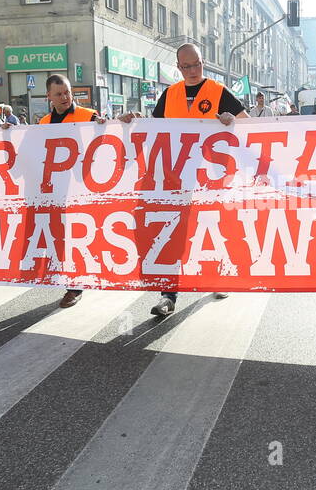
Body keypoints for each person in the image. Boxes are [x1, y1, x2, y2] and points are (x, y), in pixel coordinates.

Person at [120, 42, 247, 316]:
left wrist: (231, 120)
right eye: (186, 66)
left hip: (210, 179)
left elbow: (249, 126)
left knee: (211, 230)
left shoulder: (218, 91)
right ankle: (168, 295)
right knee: (172, 236)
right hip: (175, 180)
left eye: (197, 64)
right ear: (178, 67)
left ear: (203, 62)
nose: (192, 70)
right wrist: (131, 122)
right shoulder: (170, 94)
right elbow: (154, 130)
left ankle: (217, 278)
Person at [38, 74, 105, 308]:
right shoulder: (44, 123)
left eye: (67, 92)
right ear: (49, 96)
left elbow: (107, 138)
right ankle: (68, 278)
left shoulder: (89, 116)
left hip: (81, 188)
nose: (65, 97)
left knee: (76, 236)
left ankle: (74, 286)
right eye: (59, 94)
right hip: (55, 190)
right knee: (60, 237)